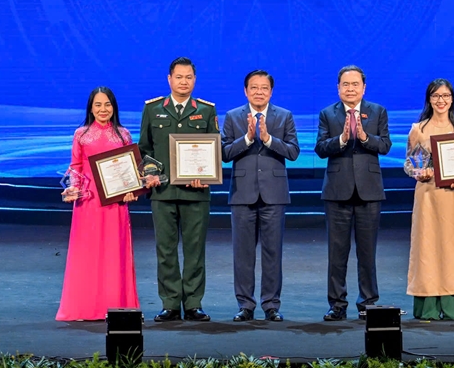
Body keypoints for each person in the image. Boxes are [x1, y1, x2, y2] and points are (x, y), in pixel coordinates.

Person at [56, 86, 160, 321]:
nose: (103, 109)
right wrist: (73, 188)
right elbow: (76, 166)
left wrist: (132, 189)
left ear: (114, 107)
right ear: (91, 108)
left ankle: (116, 305)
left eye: (107, 104)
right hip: (88, 202)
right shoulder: (81, 134)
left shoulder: (123, 134)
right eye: (98, 105)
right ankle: (83, 307)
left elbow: (131, 169)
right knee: (87, 253)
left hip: (116, 203)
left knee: (115, 253)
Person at [138, 57, 218, 322]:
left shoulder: (206, 110)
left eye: (189, 77)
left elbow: (213, 149)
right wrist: (150, 173)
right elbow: (145, 148)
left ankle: (193, 303)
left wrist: (205, 175)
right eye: (179, 77)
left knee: (195, 250)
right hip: (163, 192)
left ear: (195, 80)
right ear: (169, 79)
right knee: (166, 250)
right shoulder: (152, 109)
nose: (184, 82)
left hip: (196, 193)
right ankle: (170, 303)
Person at [222, 70, 300, 322]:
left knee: (272, 253)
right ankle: (245, 305)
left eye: (264, 88)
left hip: (274, 195)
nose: (259, 92)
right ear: (246, 91)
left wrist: (267, 139)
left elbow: (293, 152)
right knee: (242, 254)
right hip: (242, 194)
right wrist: (247, 138)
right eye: (254, 87)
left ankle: (271, 305)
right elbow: (224, 153)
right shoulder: (233, 116)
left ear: (271, 91)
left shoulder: (284, 116)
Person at [314, 65, 392, 321]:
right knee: (337, 253)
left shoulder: (377, 111)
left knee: (367, 253)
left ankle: (368, 302)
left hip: (369, 191)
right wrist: (342, 139)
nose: (350, 89)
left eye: (355, 84)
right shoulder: (328, 113)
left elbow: (385, 145)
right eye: (345, 84)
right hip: (338, 191)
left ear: (363, 88)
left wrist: (364, 137)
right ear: (338, 88)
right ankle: (337, 304)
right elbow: (320, 148)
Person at [405, 79, 454, 320]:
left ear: (452, 99)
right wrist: (418, 172)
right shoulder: (419, 129)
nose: (441, 100)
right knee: (427, 247)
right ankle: (428, 306)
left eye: (445, 96)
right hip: (428, 196)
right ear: (429, 99)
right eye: (436, 96)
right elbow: (409, 163)